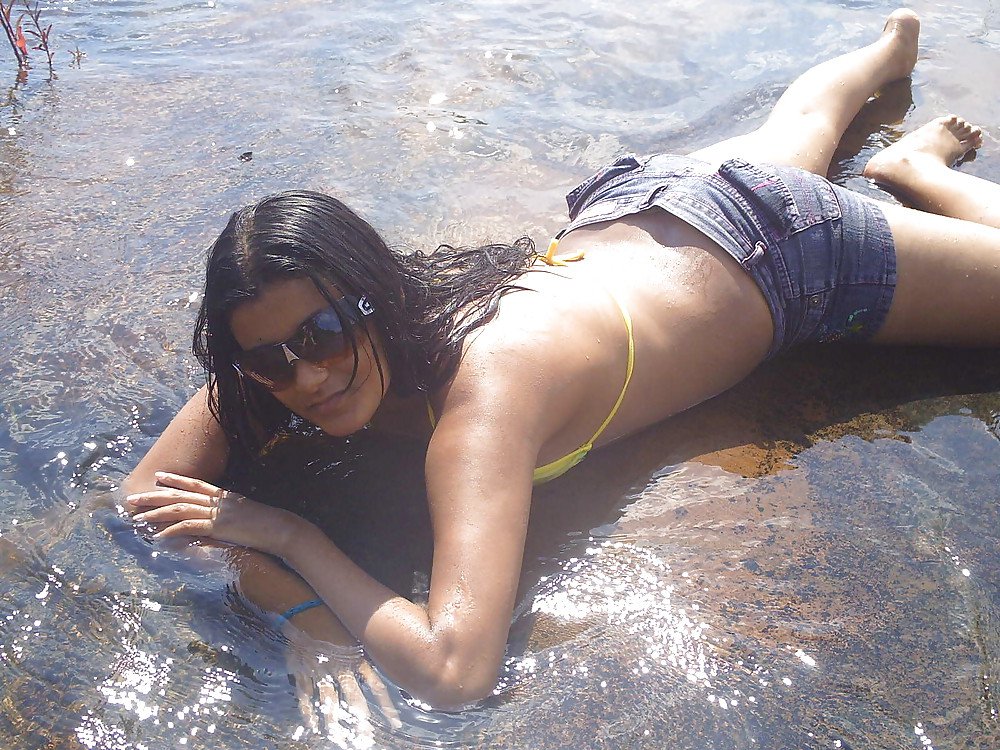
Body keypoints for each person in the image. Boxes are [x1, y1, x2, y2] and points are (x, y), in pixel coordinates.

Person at [123, 9, 999, 710]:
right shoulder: (293, 352)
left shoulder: (484, 398)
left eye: (320, 336)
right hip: (642, 210)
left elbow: (455, 670)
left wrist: (291, 538)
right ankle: (890, 50)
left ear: (368, 298)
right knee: (800, 126)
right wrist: (296, 611)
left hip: (785, 250)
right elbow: (142, 499)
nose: (305, 377)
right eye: (268, 361)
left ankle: (922, 171)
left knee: (804, 149)